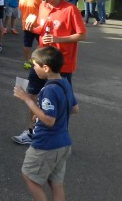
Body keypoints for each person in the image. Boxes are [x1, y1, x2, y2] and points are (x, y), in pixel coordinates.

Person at [12, 0, 86, 146]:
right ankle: (31, 131)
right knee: (32, 94)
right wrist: (32, 28)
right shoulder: (43, 6)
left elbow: (82, 35)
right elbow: (42, 27)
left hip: (62, 64)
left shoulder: (70, 9)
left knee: (65, 102)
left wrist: (57, 38)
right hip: (40, 61)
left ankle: (59, 136)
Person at [13, 46, 79, 201]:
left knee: (29, 176)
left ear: (46, 68)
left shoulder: (48, 90)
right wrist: (40, 114)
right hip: (63, 144)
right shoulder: (65, 83)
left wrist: (27, 99)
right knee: (56, 183)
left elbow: (49, 120)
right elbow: (74, 108)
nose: (33, 69)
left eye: (35, 65)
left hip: (46, 144)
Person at [18, 0, 41, 69]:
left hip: (26, 24)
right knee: (41, 43)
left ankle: (27, 61)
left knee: (27, 44)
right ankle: (35, 59)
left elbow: (20, 8)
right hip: (37, 24)